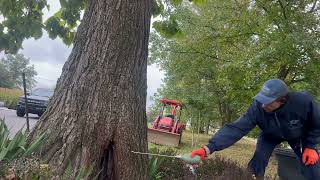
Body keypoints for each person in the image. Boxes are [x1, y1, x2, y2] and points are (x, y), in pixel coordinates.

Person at [191, 79, 320, 179]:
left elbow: (317, 123)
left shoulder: (303, 102)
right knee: (258, 161)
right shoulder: (257, 107)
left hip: (298, 136)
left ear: (282, 100)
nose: (263, 105)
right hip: (269, 135)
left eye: (268, 102)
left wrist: (310, 145)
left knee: (312, 166)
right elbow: (236, 128)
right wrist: (208, 148)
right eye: (262, 99)